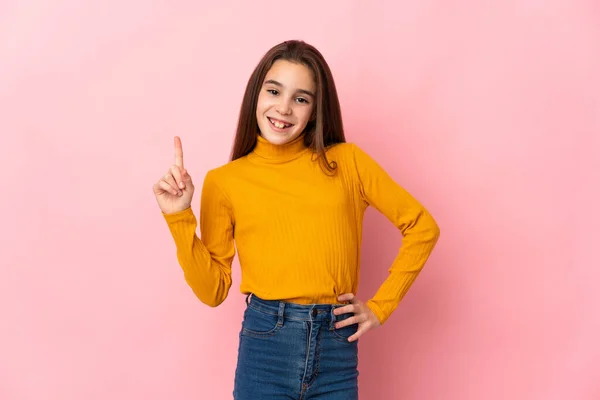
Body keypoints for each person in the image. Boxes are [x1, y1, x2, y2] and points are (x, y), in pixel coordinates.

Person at [153, 40, 440, 399]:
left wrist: (381, 307)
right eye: (274, 91)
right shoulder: (225, 181)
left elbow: (422, 227)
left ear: (316, 110)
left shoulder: (347, 163)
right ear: (256, 94)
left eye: (301, 98)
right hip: (265, 347)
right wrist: (178, 216)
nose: (284, 108)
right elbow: (212, 291)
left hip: (336, 345)